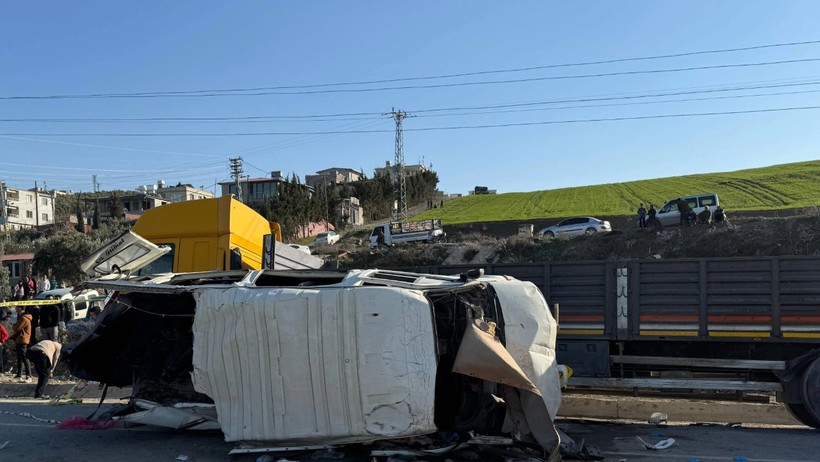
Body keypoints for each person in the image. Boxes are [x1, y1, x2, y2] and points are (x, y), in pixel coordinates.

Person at [9, 306, 32, 382]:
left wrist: (14, 325)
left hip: (22, 340)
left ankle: (29, 376)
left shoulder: (24, 318)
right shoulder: (21, 317)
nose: (15, 309)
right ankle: (19, 375)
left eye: (16, 307)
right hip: (19, 339)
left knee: (24, 358)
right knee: (19, 358)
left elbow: (16, 328)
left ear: (20, 308)